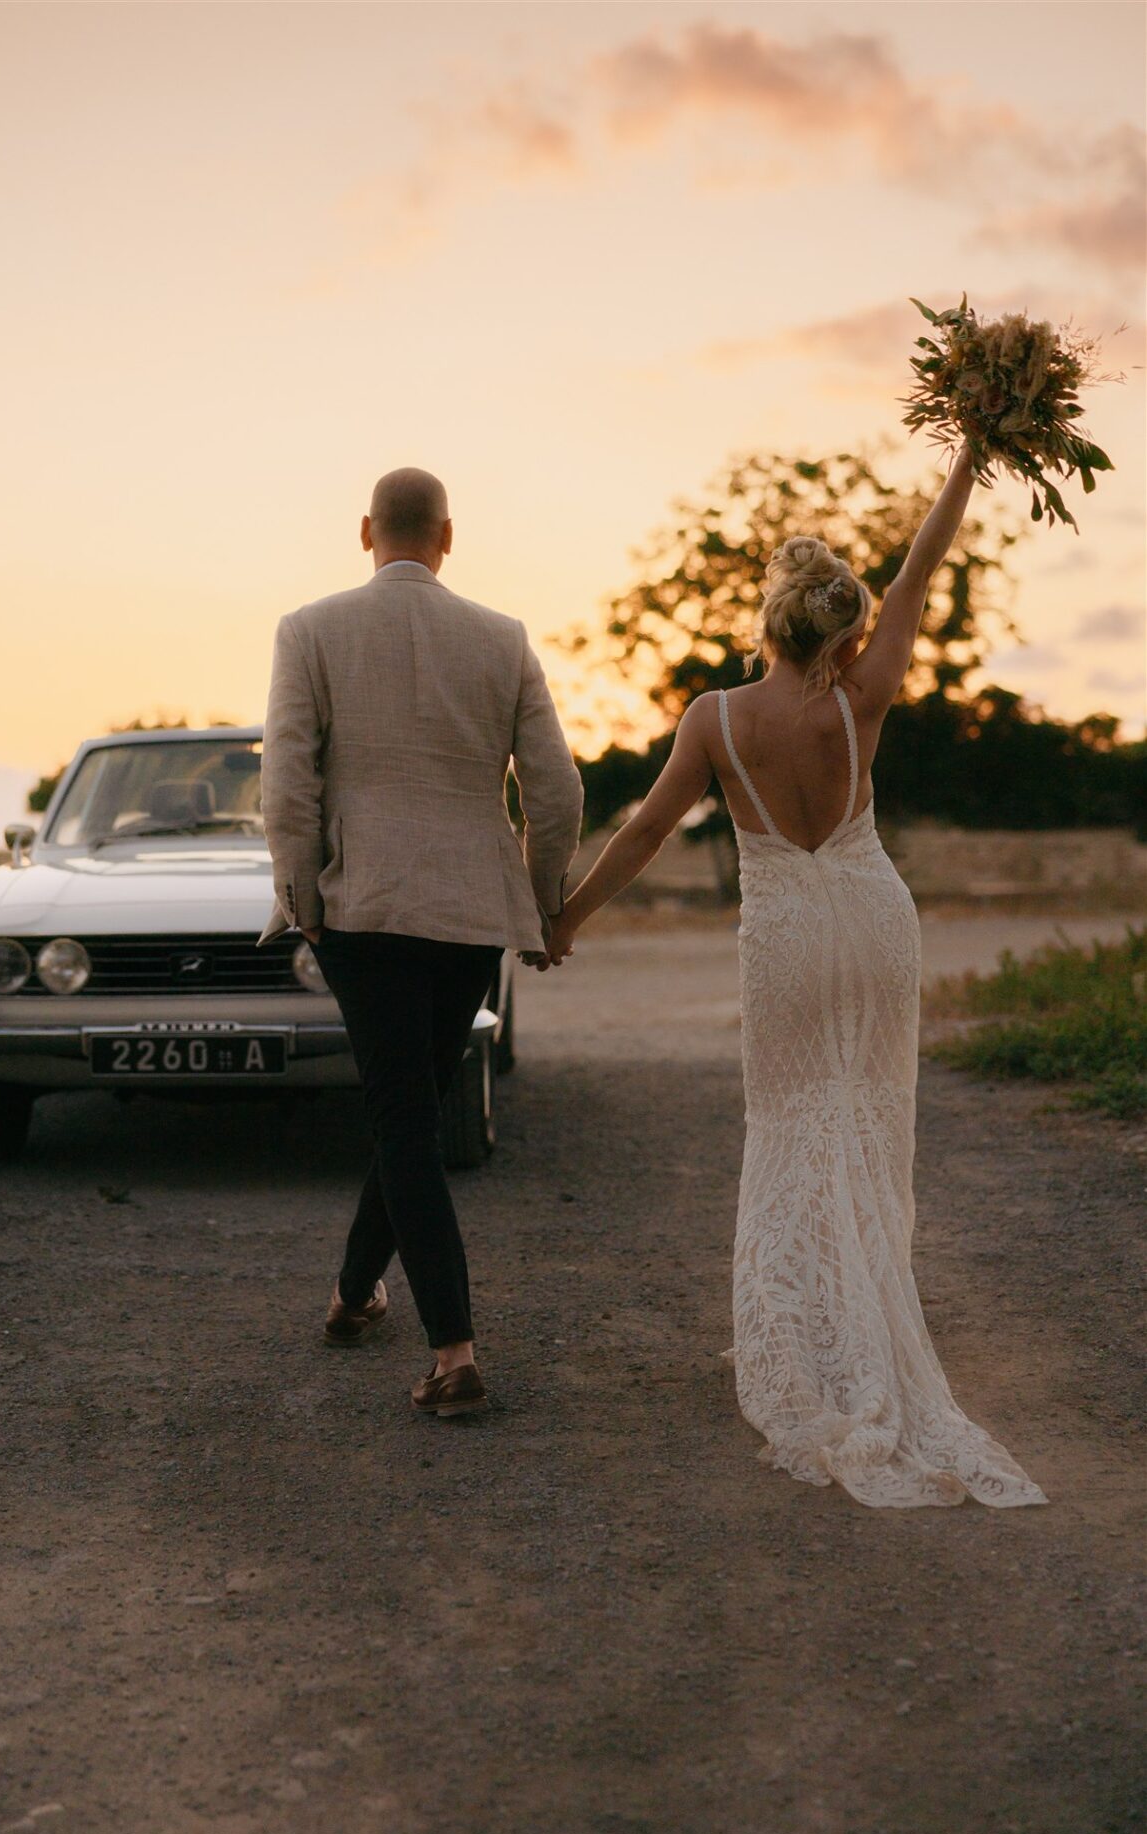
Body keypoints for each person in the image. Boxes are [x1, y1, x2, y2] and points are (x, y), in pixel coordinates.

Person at [544, 446, 1046, 1508]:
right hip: (872, 919)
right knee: (869, 1121)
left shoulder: (712, 719)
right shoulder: (863, 693)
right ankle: (868, 1327)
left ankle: (814, 1353)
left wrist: (568, 920)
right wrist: (971, 449)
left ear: (765, 624)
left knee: (787, 1124)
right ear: (842, 629)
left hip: (785, 936)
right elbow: (923, 560)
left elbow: (642, 830)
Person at [259, 467, 583, 1418]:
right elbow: (556, 790)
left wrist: (299, 892)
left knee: (404, 1117)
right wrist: (539, 903)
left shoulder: (309, 629)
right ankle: (356, 1297)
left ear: (367, 530)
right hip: (468, 913)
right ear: (449, 536)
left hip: (364, 904)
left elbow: (289, 780)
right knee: (413, 1105)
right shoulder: (502, 638)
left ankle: (454, 1354)